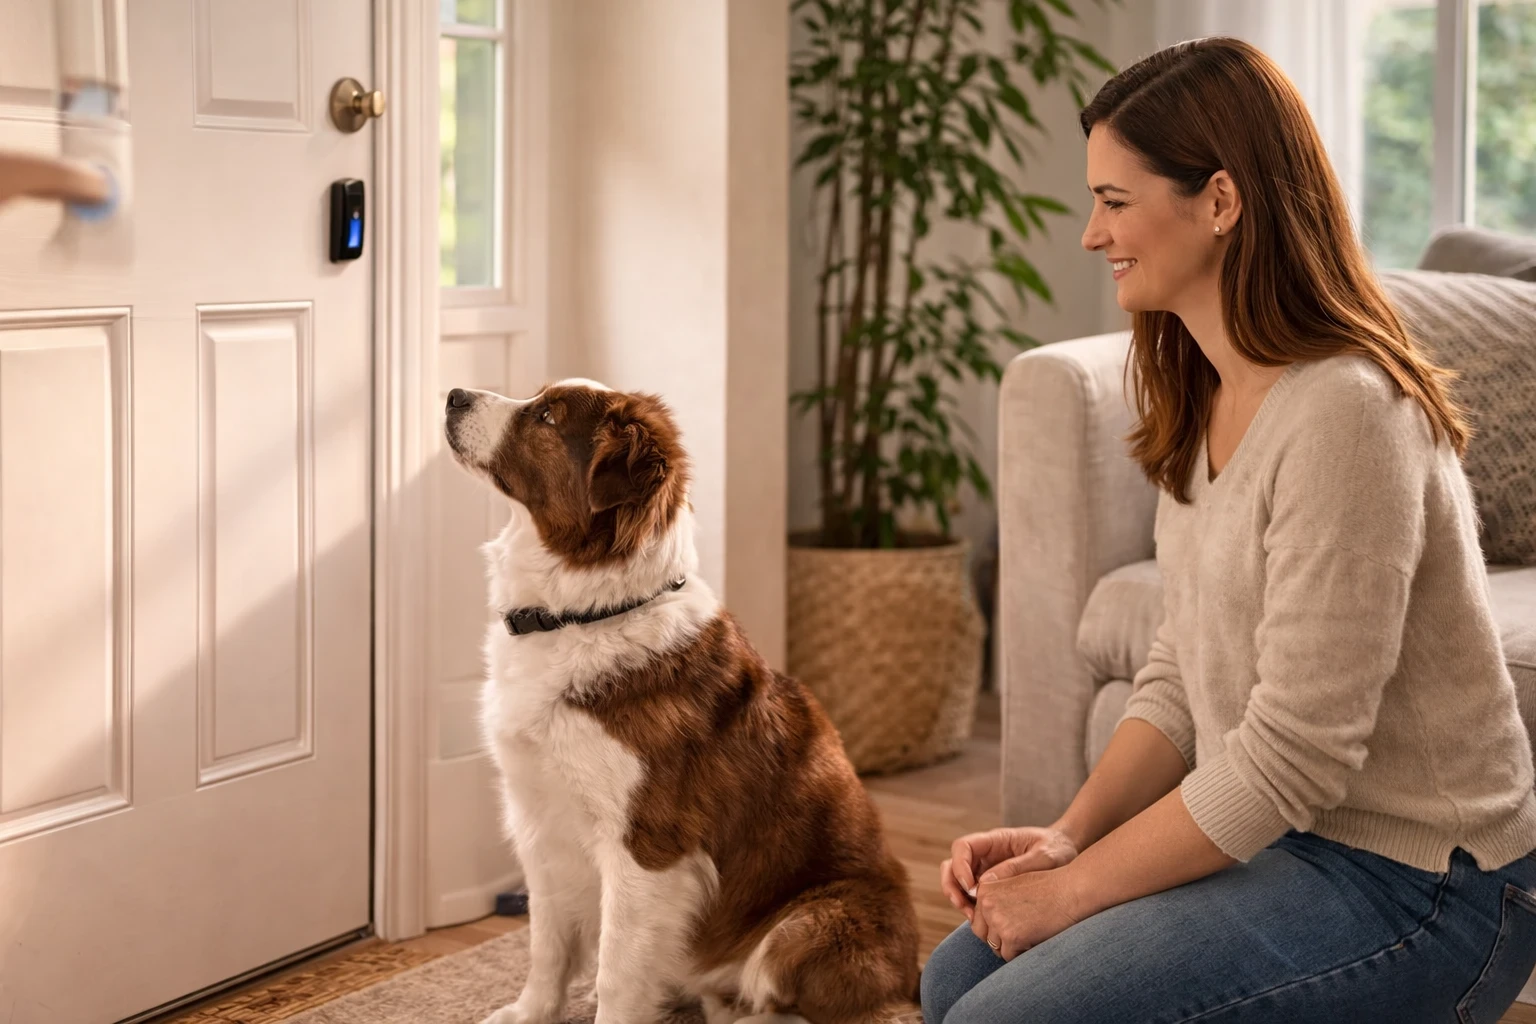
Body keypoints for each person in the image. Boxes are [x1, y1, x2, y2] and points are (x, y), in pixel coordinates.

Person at [922, 37, 1536, 1024]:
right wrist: (1065, 841)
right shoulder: (1207, 389)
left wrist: (1071, 897)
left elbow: (1295, 753)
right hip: (1298, 843)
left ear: (1219, 200)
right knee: (957, 980)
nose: (1091, 232)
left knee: (1006, 1016)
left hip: (1430, 885)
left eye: (1115, 201)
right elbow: (1178, 667)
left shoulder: (1346, 410)